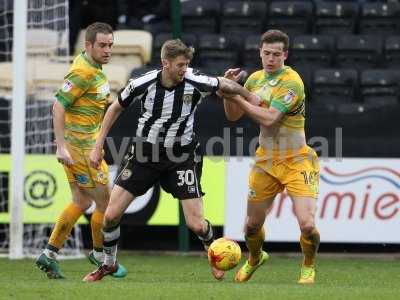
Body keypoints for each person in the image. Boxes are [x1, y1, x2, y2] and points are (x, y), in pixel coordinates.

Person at [82, 39, 259, 282]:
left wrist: (250, 95)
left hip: (181, 157)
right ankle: (109, 264)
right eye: (180, 65)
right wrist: (98, 145)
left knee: (197, 224)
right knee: (111, 216)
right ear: (165, 63)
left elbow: (224, 84)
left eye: (187, 64)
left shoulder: (193, 81)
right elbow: (114, 108)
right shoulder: (142, 83)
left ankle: (214, 255)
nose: (184, 69)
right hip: (145, 155)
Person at [219, 29, 320, 284]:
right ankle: (255, 258)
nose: (271, 58)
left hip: (297, 160)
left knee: (307, 224)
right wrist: (229, 93)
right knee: (251, 227)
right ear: (260, 53)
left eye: (276, 54)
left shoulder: (292, 81)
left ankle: (308, 265)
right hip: (266, 162)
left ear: (285, 54)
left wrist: (237, 93)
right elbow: (232, 116)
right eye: (267, 53)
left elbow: (271, 118)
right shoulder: (254, 79)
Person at [35, 22, 126, 279]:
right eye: (102, 45)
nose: (107, 50)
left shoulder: (91, 67)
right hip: (83, 150)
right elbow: (58, 105)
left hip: (79, 147)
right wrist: (62, 145)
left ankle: (49, 254)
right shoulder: (83, 72)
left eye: (110, 45)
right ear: (88, 45)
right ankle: (100, 254)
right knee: (106, 204)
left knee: (81, 201)